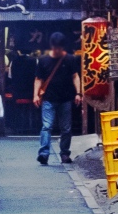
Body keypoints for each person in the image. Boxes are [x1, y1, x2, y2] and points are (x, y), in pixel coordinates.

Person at [32, 32, 82, 165]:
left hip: (66, 98)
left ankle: (65, 153)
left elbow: (75, 76)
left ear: (63, 47)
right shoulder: (43, 60)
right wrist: (36, 95)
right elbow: (38, 79)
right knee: (47, 126)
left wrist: (78, 93)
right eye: (55, 48)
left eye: (59, 48)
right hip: (48, 98)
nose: (57, 50)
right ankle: (44, 154)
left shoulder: (70, 59)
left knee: (66, 128)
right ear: (52, 46)